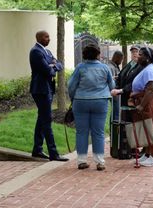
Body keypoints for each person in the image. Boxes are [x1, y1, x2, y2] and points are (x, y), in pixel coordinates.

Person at [68, 44, 115, 170]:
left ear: (84, 55)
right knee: (98, 132)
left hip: (81, 102)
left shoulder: (80, 68)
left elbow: (71, 85)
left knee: (81, 132)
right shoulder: (105, 68)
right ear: (98, 54)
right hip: (100, 102)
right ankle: (99, 161)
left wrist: (73, 98)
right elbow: (112, 85)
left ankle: (81, 160)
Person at [29, 30, 68, 162]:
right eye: (46, 37)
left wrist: (54, 65)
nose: (49, 39)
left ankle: (37, 149)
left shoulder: (47, 52)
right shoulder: (36, 52)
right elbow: (48, 71)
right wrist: (52, 66)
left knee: (42, 118)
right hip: (40, 90)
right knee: (47, 120)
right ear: (39, 37)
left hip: (47, 89)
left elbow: (59, 65)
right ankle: (53, 153)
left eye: (49, 37)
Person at [128, 47, 153, 167]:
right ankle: (147, 155)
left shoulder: (150, 70)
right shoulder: (146, 68)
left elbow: (150, 89)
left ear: (147, 57)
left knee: (151, 130)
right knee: (148, 130)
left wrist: (141, 105)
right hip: (145, 102)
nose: (138, 56)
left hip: (149, 104)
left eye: (140, 54)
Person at [107, 50, 124, 121]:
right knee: (116, 112)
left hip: (116, 92)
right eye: (121, 59)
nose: (121, 62)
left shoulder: (115, 66)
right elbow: (110, 81)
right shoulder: (110, 67)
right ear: (117, 58)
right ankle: (114, 130)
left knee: (116, 112)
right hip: (114, 92)